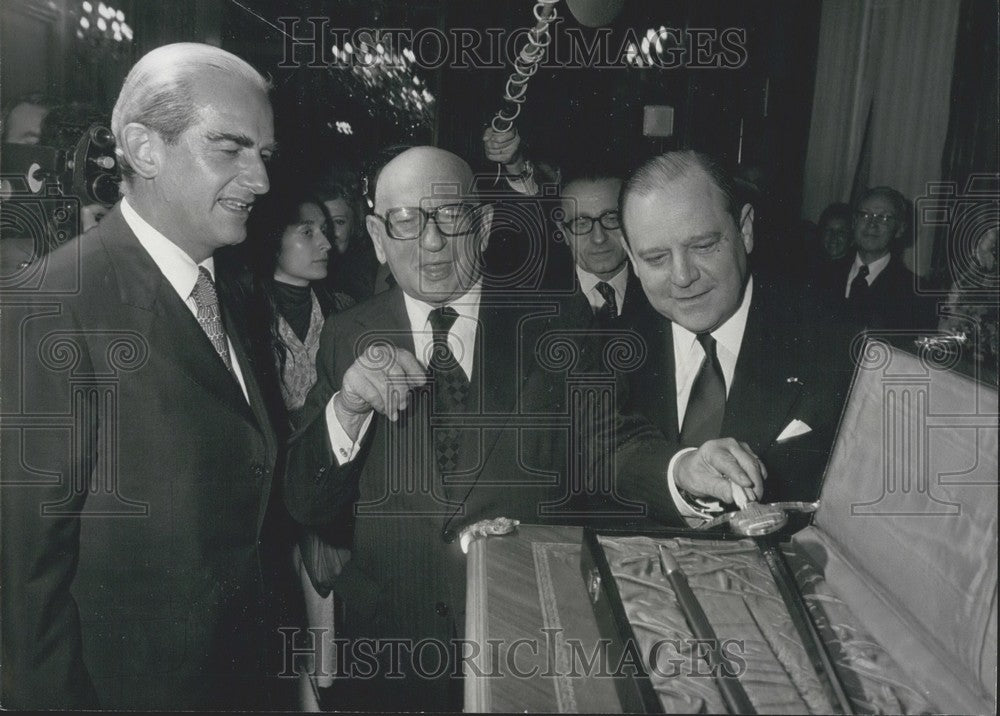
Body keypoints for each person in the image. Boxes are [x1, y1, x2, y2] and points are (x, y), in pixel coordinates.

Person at [1, 43, 280, 709]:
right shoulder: (50, 305)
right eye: (231, 149)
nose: (261, 181)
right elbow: (21, 580)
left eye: (264, 155)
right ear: (144, 148)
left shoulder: (229, 287)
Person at [284, 145, 602, 711]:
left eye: (449, 216)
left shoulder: (562, 323)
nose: (430, 242)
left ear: (482, 226)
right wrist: (350, 405)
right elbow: (307, 502)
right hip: (389, 658)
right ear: (378, 238)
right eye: (405, 222)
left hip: (527, 644)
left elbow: (610, 456)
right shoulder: (343, 335)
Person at [612, 150, 853, 523]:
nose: (682, 276)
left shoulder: (835, 344)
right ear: (630, 256)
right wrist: (678, 473)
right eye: (656, 258)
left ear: (745, 230)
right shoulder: (605, 345)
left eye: (703, 246)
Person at [241, 182, 356, 710]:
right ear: (274, 240)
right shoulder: (241, 311)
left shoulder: (346, 308)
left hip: (332, 500)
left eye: (326, 229)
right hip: (267, 511)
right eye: (307, 232)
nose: (325, 242)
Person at [815, 186, 936, 331]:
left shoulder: (916, 295)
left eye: (884, 217)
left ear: (900, 229)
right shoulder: (819, 274)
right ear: (854, 222)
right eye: (865, 215)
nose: (872, 224)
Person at [558, 169, 649, 325]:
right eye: (581, 223)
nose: (599, 238)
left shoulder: (661, 291)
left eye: (611, 218)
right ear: (563, 232)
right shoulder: (537, 301)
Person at [313, 171, 378, 301]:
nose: (330, 233)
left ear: (354, 225)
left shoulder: (369, 275)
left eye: (339, 222)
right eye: (324, 224)